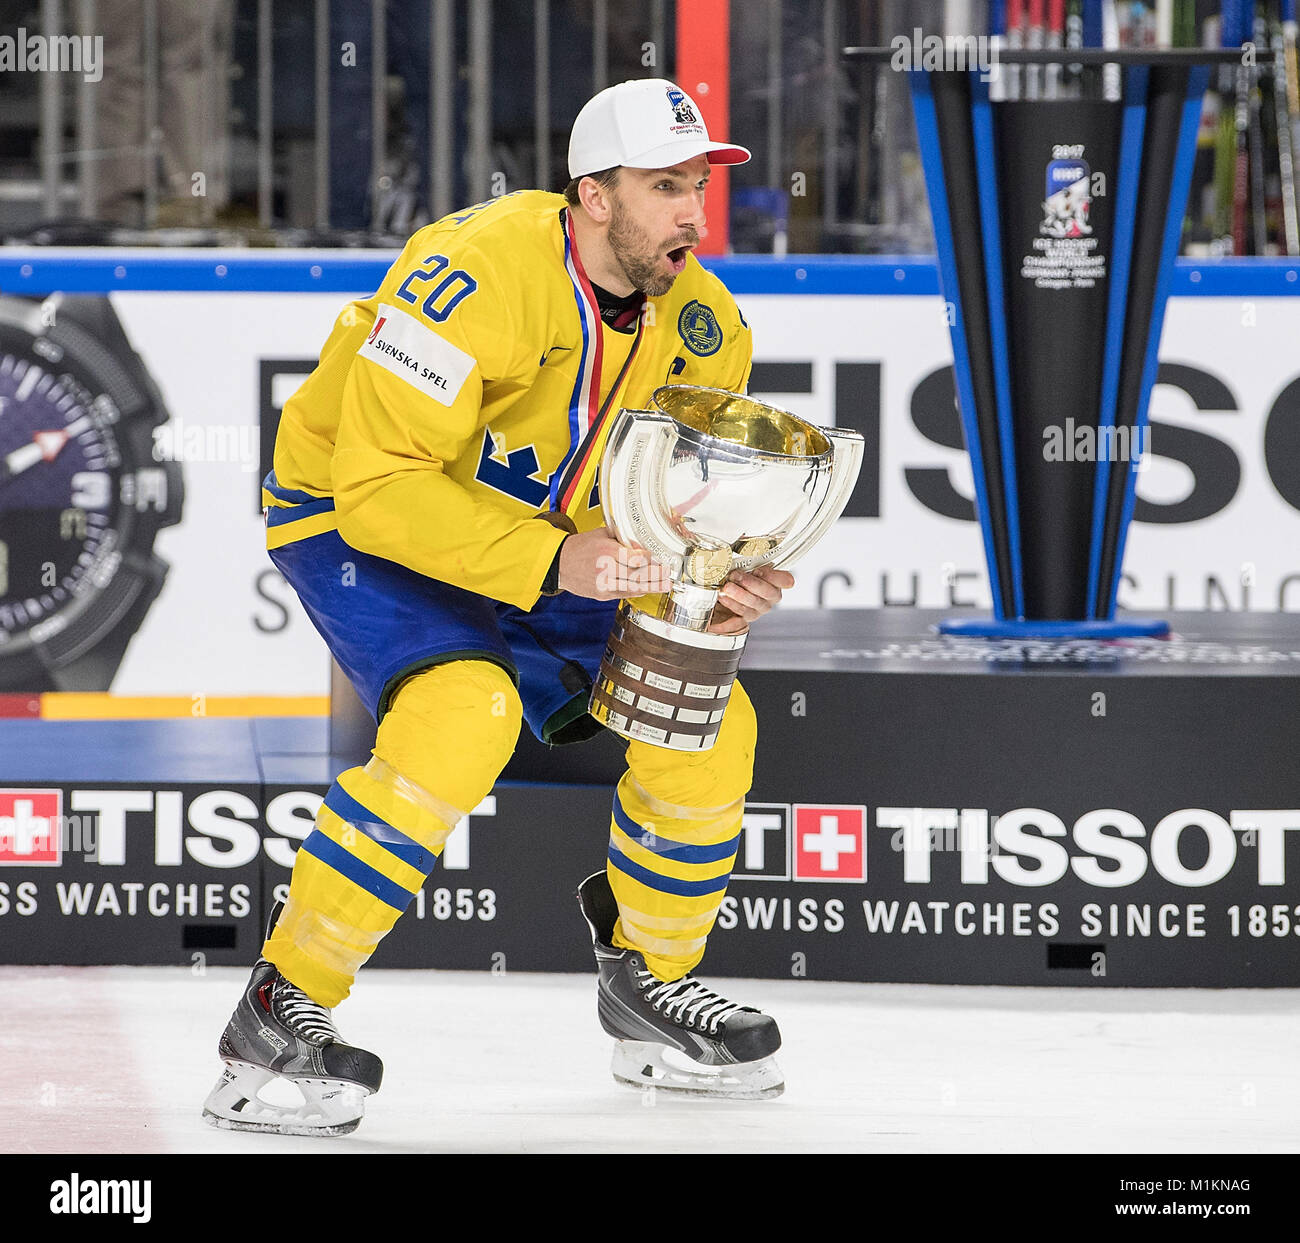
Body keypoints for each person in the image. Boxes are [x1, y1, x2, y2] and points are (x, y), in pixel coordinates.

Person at [202, 78, 794, 1137]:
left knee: (705, 713)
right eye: (664, 186)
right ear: (593, 196)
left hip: (555, 545)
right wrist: (558, 561)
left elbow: (667, 505)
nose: (692, 214)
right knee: (461, 716)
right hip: (349, 515)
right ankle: (278, 1007)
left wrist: (708, 578)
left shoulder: (706, 325)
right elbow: (377, 487)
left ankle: (649, 980)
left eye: (698, 184)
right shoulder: (469, 273)